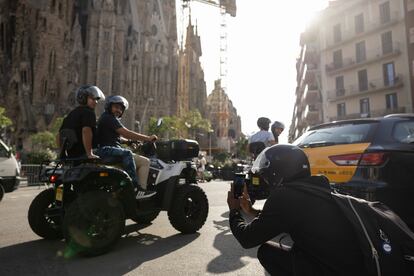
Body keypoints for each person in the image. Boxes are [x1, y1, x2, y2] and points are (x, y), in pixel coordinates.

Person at [227, 144, 366, 275]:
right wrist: (251, 211)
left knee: (267, 253)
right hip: (356, 266)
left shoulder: (285, 196)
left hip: (333, 270)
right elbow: (287, 220)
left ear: (277, 173)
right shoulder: (319, 188)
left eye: (266, 175)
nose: (266, 180)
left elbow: (247, 238)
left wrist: (234, 211)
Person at [95, 95, 157, 199]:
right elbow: (126, 133)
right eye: (116, 107)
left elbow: (114, 137)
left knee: (132, 155)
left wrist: (128, 142)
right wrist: (148, 138)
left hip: (108, 149)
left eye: (121, 109)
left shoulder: (107, 118)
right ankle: (136, 189)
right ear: (109, 106)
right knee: (142, 161)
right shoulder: (108, 118)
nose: (118, 110)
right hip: (105, 150)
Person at [58, 85, 105, 158]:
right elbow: (86, 131)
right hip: (85, 153)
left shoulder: (71, 114)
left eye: (96, 99)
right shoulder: (89, 113)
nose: (95, 102)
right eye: (92, 99)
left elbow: (59, 135)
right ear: (83, 98)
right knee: (124, 154)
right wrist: (89, 154)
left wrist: (62, 155)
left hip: (72, 156)